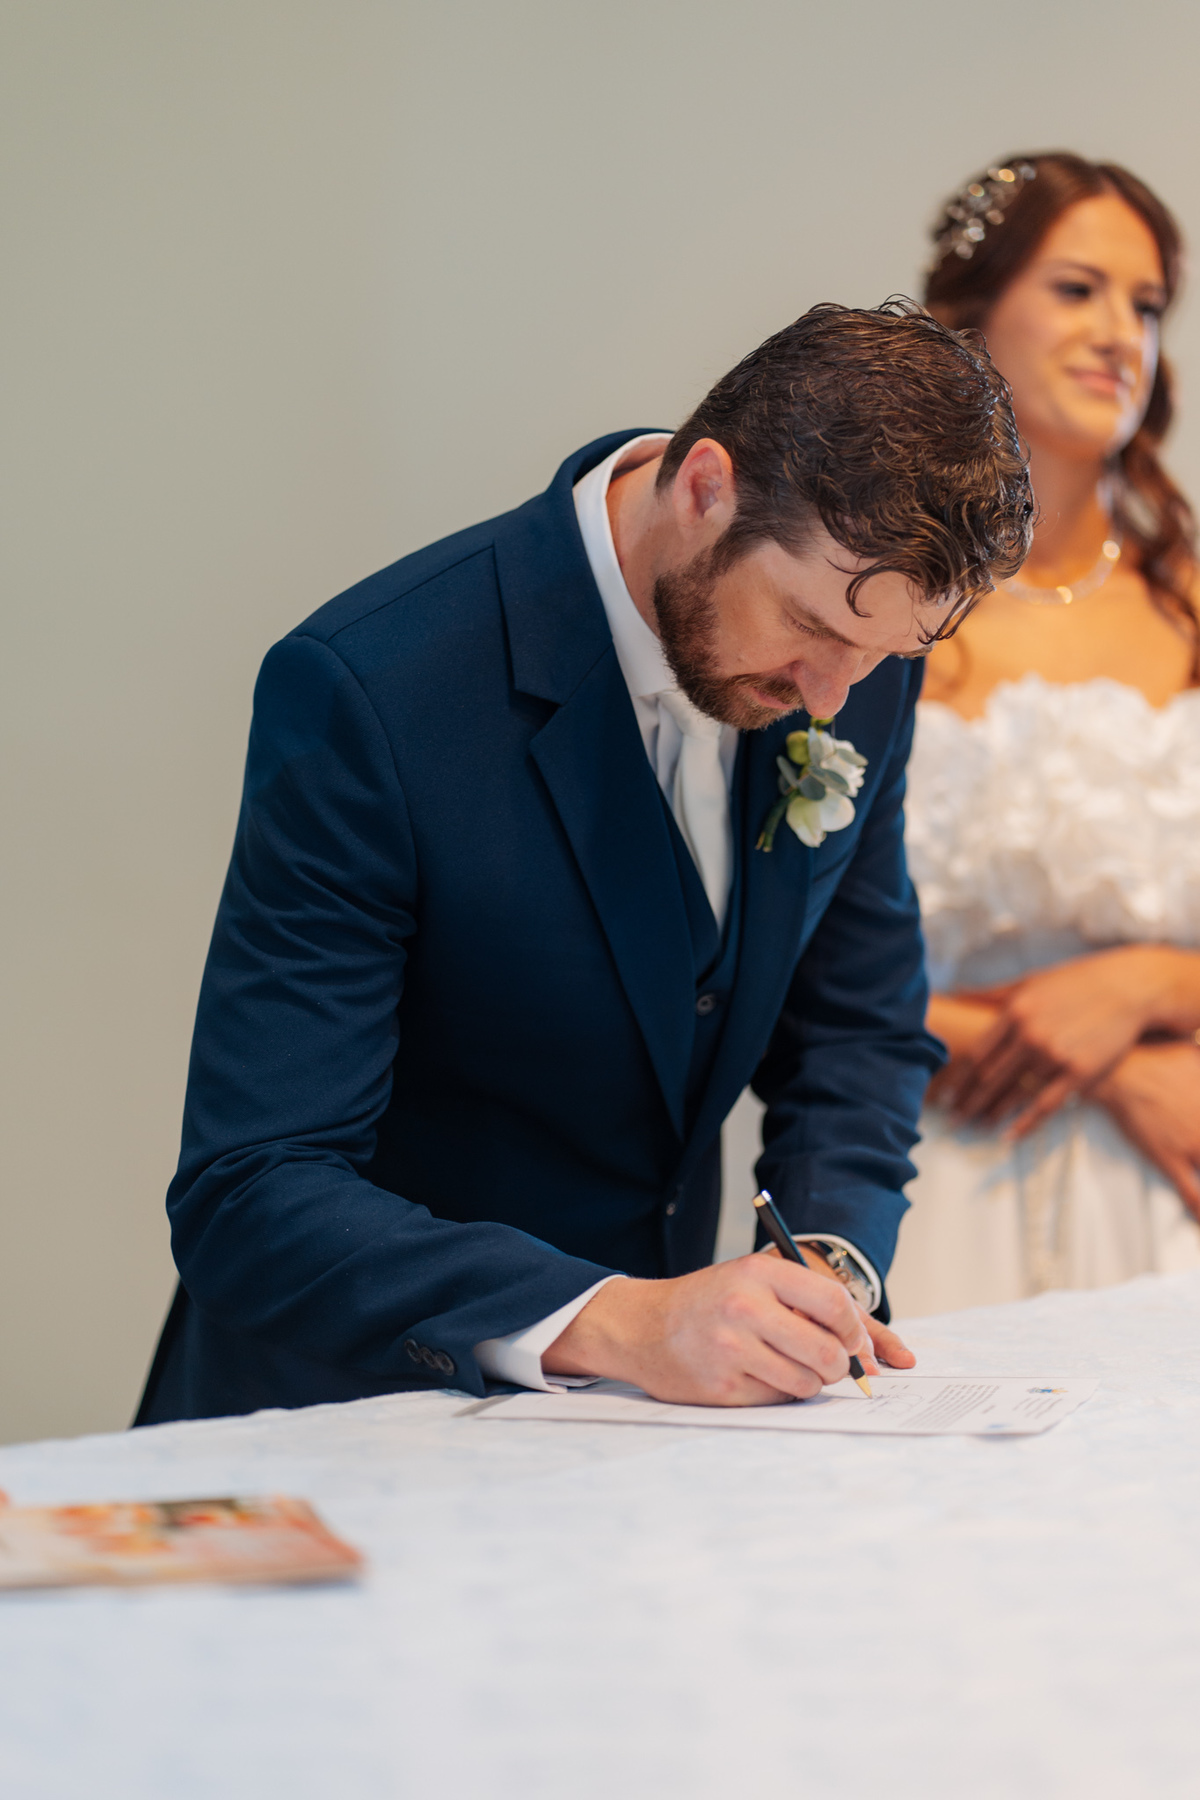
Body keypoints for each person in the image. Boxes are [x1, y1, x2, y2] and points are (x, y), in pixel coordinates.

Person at [136, 302, 1030, 1425]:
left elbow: (857, 1030)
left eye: (883, 653)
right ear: (706, 487)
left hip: (636, 1451)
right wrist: (624, 1322)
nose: (834, 695)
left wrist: (829, 1265)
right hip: (342, 1432)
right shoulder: (373, 692)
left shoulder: (852, 656)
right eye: (811, 626)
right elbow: (255, 1190)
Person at [888, 154, 1200, 1316]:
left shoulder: (1192, 611)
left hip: (1174, 1186)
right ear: (972, 323)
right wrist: (1094, 1065)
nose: (1121, 331)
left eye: (1149, 303)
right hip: (934, 1168)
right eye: (1078, 290)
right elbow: (786, 956)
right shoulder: (875, 615)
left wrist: (1145, 987)